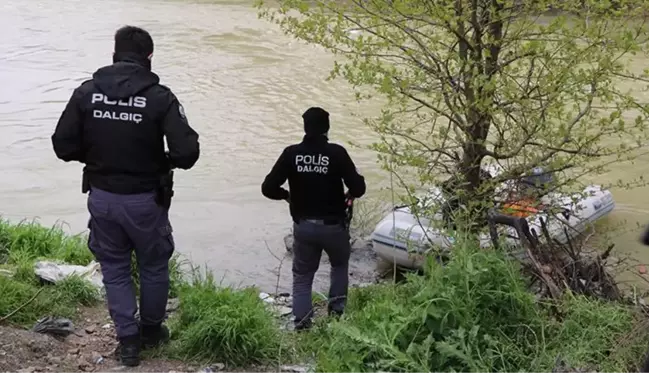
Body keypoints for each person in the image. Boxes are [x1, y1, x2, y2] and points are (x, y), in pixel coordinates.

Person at [51, 25, 200, 367]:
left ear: (114, 54)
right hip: (146, 200)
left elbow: (62, 145)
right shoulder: (161, 97)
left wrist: (94, 155)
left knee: (114, 268)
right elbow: (187, 153)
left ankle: (128, 341)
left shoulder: (87, 93)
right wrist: (160, 161)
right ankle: (151, 330)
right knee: (153, 264)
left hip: (102, 196)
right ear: (149, 57)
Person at [261, 107, 366, 330]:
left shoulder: (291, 154)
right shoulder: (337, 153)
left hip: (304, 227)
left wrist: (287, 196)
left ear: (305, 127)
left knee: (302, 276)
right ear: (327, 128)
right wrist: (351, 193)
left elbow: (268, 188)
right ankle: (336, 317)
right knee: (339, 266)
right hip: (334, 227)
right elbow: (358, 187)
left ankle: (302, 323)